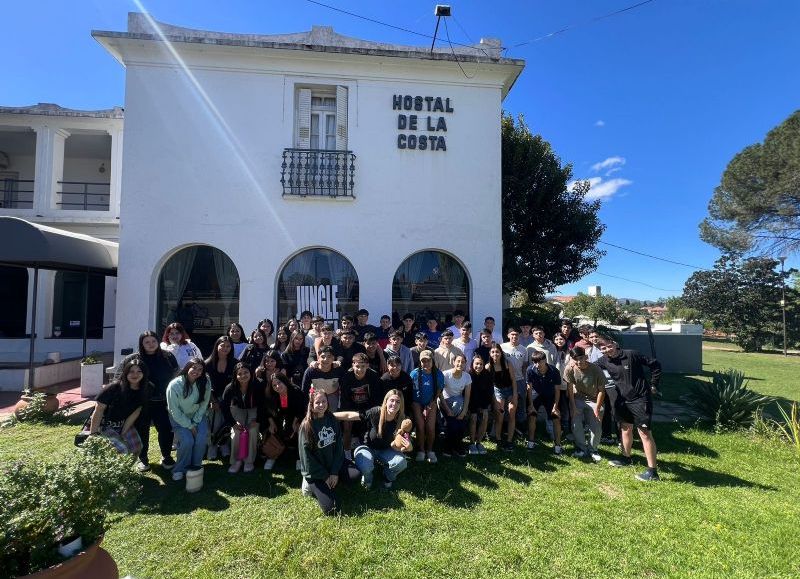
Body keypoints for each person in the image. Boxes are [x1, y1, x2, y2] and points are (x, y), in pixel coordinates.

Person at [596, 338, 662, 482]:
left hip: (640, 399)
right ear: (601, 351)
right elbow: (589, 368)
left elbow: (655, 364)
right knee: (625, 428)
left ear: (614, 344)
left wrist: (654, 385)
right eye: (604, 349)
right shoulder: (603, 361)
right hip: (622, 400)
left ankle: (653, 472)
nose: (608, 350)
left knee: (644, 433)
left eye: (609, 346)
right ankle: (626, 458)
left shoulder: (632, 354)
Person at [114, 330, 179, 471]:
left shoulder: (168, 357)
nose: (150, 344)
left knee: (165, 429)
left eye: (153, 341)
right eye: (147, 342)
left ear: (158, 341)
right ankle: (143, 459)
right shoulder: (132, 359)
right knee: (142, 430)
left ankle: (166, 456)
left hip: (162, 401)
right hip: (139, 403)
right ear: (141, 344)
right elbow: (119, 377)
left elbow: (176, 375)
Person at [297, 388, 361, 515]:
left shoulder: (331, 418)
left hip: (332, 464)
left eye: (324, 401)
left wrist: (334, 472)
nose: (321, 405)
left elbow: (338, 446)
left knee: (355, 475)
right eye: (317, 402)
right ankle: (310, 484)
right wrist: (325, 476)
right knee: (332, 509)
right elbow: (307, 458)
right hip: (316, 472)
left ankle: (332, 483)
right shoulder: (306, 426)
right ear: (311, 405)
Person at [339, 389, 410, 490]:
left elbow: (407, 440)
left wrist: (406, 445)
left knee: (401, 463)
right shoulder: (375, 412)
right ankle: (368, 478)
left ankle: (387, 477)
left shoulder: (402, 420)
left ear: (401, 405)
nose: (394, 404)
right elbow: (350, 415)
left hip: (386, 450)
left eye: (398, 401)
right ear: (386, 401)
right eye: (392, 400)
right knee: (365, 466)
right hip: (367, 447)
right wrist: (331, 415)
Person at [90, 358, 150, 455]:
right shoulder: (113, 388)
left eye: (139, 371)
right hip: (104, 426)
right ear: (125, 373)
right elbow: (98, 410)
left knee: (137, 446)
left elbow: (135, 413)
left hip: (121, 425)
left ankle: (125, 469)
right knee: (123, 450)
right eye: (131, 371)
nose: (135, 375)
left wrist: (123, 433)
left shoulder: (144, 390)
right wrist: (93, 434)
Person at [166, 357, 212, 481]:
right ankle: (180, 468)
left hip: (198, 416)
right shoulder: (175, 385)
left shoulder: (205, 382)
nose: (196, 371)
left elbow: (204, 404)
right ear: (187, 367)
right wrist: (190, 426)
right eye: (194, 367)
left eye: (200, 369)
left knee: (201, 437)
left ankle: (196, 465)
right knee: (187, 441)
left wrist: (196, 421)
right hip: (179, 418)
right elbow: (174, 411)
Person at [564, 346, 606, 462]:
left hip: (594, 400)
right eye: (575, 359)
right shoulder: (569, 369)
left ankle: (593, 449)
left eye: (581, 358)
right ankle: (581, 448)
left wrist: (597, 408)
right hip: (578, 399)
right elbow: (570, 389)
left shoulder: (595, 369)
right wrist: (572, 407)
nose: (579, 361)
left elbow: (602, 390)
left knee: (596, 426)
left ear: (586, 357)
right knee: (576, 424)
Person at [339, 353, 384, 457]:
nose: (360, 369)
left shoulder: (373, 375)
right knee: (347, 426)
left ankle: (372, 450)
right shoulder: (347, 378)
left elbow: (375, 397)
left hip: (368, 407)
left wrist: (368, 412)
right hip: (351, 407)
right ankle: (347, 454)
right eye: (357, 366)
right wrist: (352, 414)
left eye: (363, 366)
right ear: (353, 365)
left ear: (367, 365)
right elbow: (345, 399)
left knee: (373, 424)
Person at [221, 363, 261, 473]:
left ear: (250, 373)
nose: (243, 375)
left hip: (254, 410)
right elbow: (224, 406)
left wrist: (255, 420)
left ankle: (249, 460)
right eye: (239, 374)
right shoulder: (230, 388)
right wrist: (233, 422)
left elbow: (263, 405)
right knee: (236, 431)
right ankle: (236, 460)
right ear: (235, 376)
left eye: (246, 372)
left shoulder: (257, 385)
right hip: (237, 409)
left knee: (252, 430)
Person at [262, 372, 305, 470]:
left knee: (299, 431)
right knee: (271, 430)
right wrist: (271, 423)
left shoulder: (295, 391)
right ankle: (272, 455)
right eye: (274, 385)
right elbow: (267, 410)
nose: (277, 386)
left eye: (279, 383)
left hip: (295, 417)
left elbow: (300, 409)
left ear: (285, 381)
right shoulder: (270, 394)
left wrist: (295, 422)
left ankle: (300, 458)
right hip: (278, 417)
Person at [526, 351, 564, 454]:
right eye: (535, 362)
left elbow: (557, 390)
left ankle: (557, 445)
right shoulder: (530, 370)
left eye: (540, 361)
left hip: (550, 396)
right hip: (536, 394)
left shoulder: (554, 371)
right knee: (532, 415)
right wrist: (531, 405)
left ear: (545, 360)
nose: (538, 364)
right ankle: (531, 442)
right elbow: (529, 388)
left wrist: (555, 406)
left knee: (556, 418)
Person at [205, 336, 236, 461]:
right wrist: (213, 400)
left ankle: (224, 445)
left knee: (226, 422)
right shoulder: (207, 364)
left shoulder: (235, 363)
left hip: (230, 399)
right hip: (213, 399)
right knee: (215, 422)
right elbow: (206, 385)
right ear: (217, 346)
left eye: (228, 346)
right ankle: (212, 446)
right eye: (222, 345)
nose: (225, 348)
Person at [409, 350, 443, 463]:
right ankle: (421, 450)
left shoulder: (438, 374)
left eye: (428, 361)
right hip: (417, 402)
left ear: (432, 361)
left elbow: (439, 389)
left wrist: (433, 402)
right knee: (420, 425)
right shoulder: (414, 373)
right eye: (423, 361)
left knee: (430, 426)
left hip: (431, 401)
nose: (426, 363)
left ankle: (430, 450)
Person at [440, 354, 472, 458]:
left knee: (458, 423)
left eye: (462, 362)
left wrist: (464, 412)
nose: (460, 364)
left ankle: (452, 446)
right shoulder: (445, 374)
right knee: (456, 422)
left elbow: (467, 397)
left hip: (459, 404)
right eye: (458, 361)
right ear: (453, 362)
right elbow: (440, 394)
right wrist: (447, 410)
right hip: (445, 402)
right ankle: (454, 446)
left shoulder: (467, 377)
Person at [488, 343, 516, 451]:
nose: (495, 354)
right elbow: (488, 384)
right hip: (498, 391)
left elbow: (513, 380)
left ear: (501, 353)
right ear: (490, 353)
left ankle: (509, 440)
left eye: (497, 352)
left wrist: (514, 395)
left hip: (509, 389)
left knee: (512, 411)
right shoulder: (488, 366)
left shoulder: (507, 363)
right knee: (500, 414)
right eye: (493, 352)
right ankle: (498, 438)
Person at [501, 327, 529, 430]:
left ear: (519, 336)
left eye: (516, 335)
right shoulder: (502, 347)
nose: (514, 336)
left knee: (521, 403)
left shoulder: (524, 349)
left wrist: (524, 380)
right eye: (512, 334)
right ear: (508, 336)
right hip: (505, 380)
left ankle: (521, 425)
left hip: (519, 380)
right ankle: (505, 425)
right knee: (506, 404)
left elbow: (525, 366)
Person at [301, 346, 344, 410]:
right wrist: (306, 407)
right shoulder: (311, 371)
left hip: (332, 396)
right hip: (317, 396)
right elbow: (304, 390)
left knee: (332, 416)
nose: (326, 359)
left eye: (329, 356)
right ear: (318, 358)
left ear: (333, 358)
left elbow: (344, 388)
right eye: (323, 357)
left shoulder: (338, 370)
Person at [467, 353, 492, 455]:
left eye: (481, 364)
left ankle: (479, 442)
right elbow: (468, 394)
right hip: (471, 403)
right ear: (472, 364)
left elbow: (489, 393)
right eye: (477, 364)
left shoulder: (487, 375)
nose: (479, 366)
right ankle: (472, 442)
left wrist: (484, 407)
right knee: (473, 418)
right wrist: (473, 408)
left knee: (485, 416)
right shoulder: (468, 375)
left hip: (483, 403)